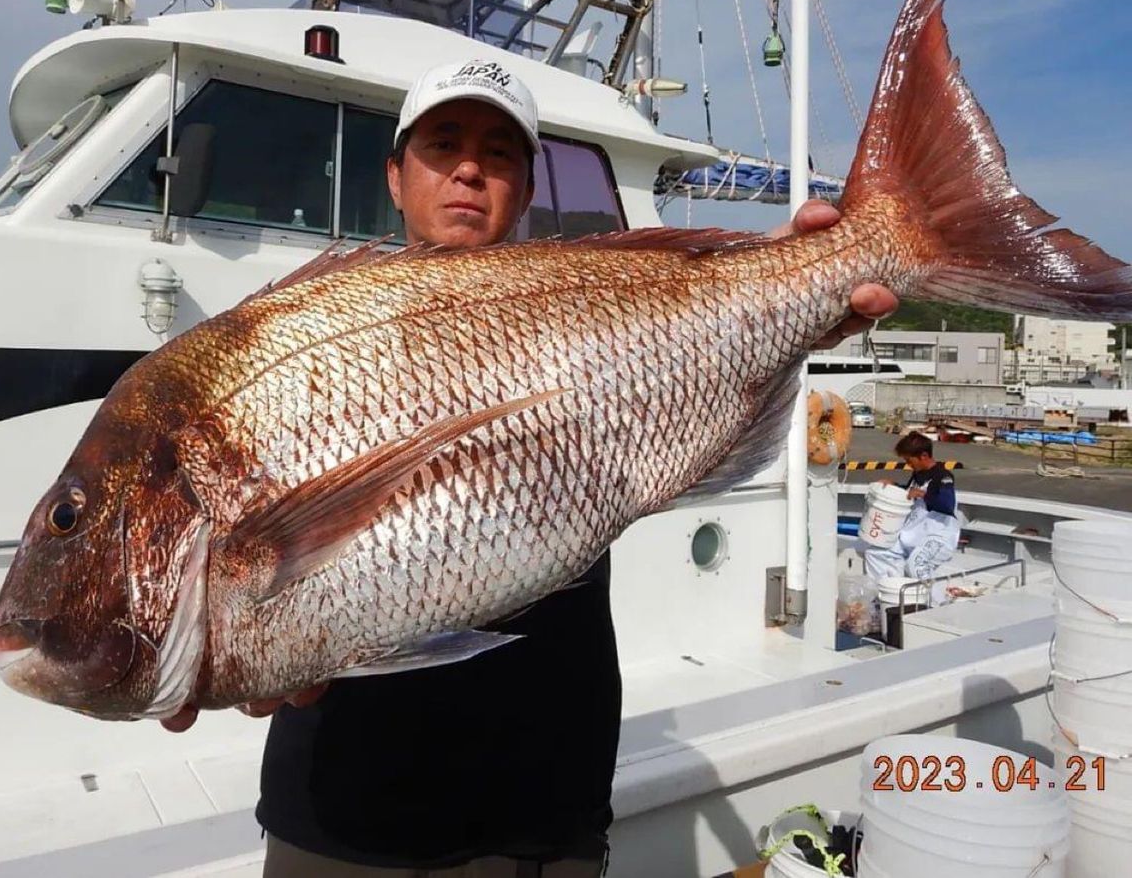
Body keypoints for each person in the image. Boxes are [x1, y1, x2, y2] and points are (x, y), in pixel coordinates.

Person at [161, 57, 900, 877]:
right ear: (396, 175)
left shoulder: (587, 296)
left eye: (500, 152)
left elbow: (705, 308)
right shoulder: (298, 330)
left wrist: (802, 294)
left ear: (525, 185)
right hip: (340, 806)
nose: (471, 167)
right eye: (444, 143)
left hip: (542, 801)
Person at [865, 432, 961, 585]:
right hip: (913, 534)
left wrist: (924, 495)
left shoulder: (942, 476)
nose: (908, 464)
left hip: (938, 536)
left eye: (909, 460)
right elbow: (910, 492)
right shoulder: (918, 474)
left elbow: (947, 504)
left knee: (916, 564)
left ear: (923, 456)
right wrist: (894, 485)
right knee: (876, 553)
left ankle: (934, 603)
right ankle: (891, 591)